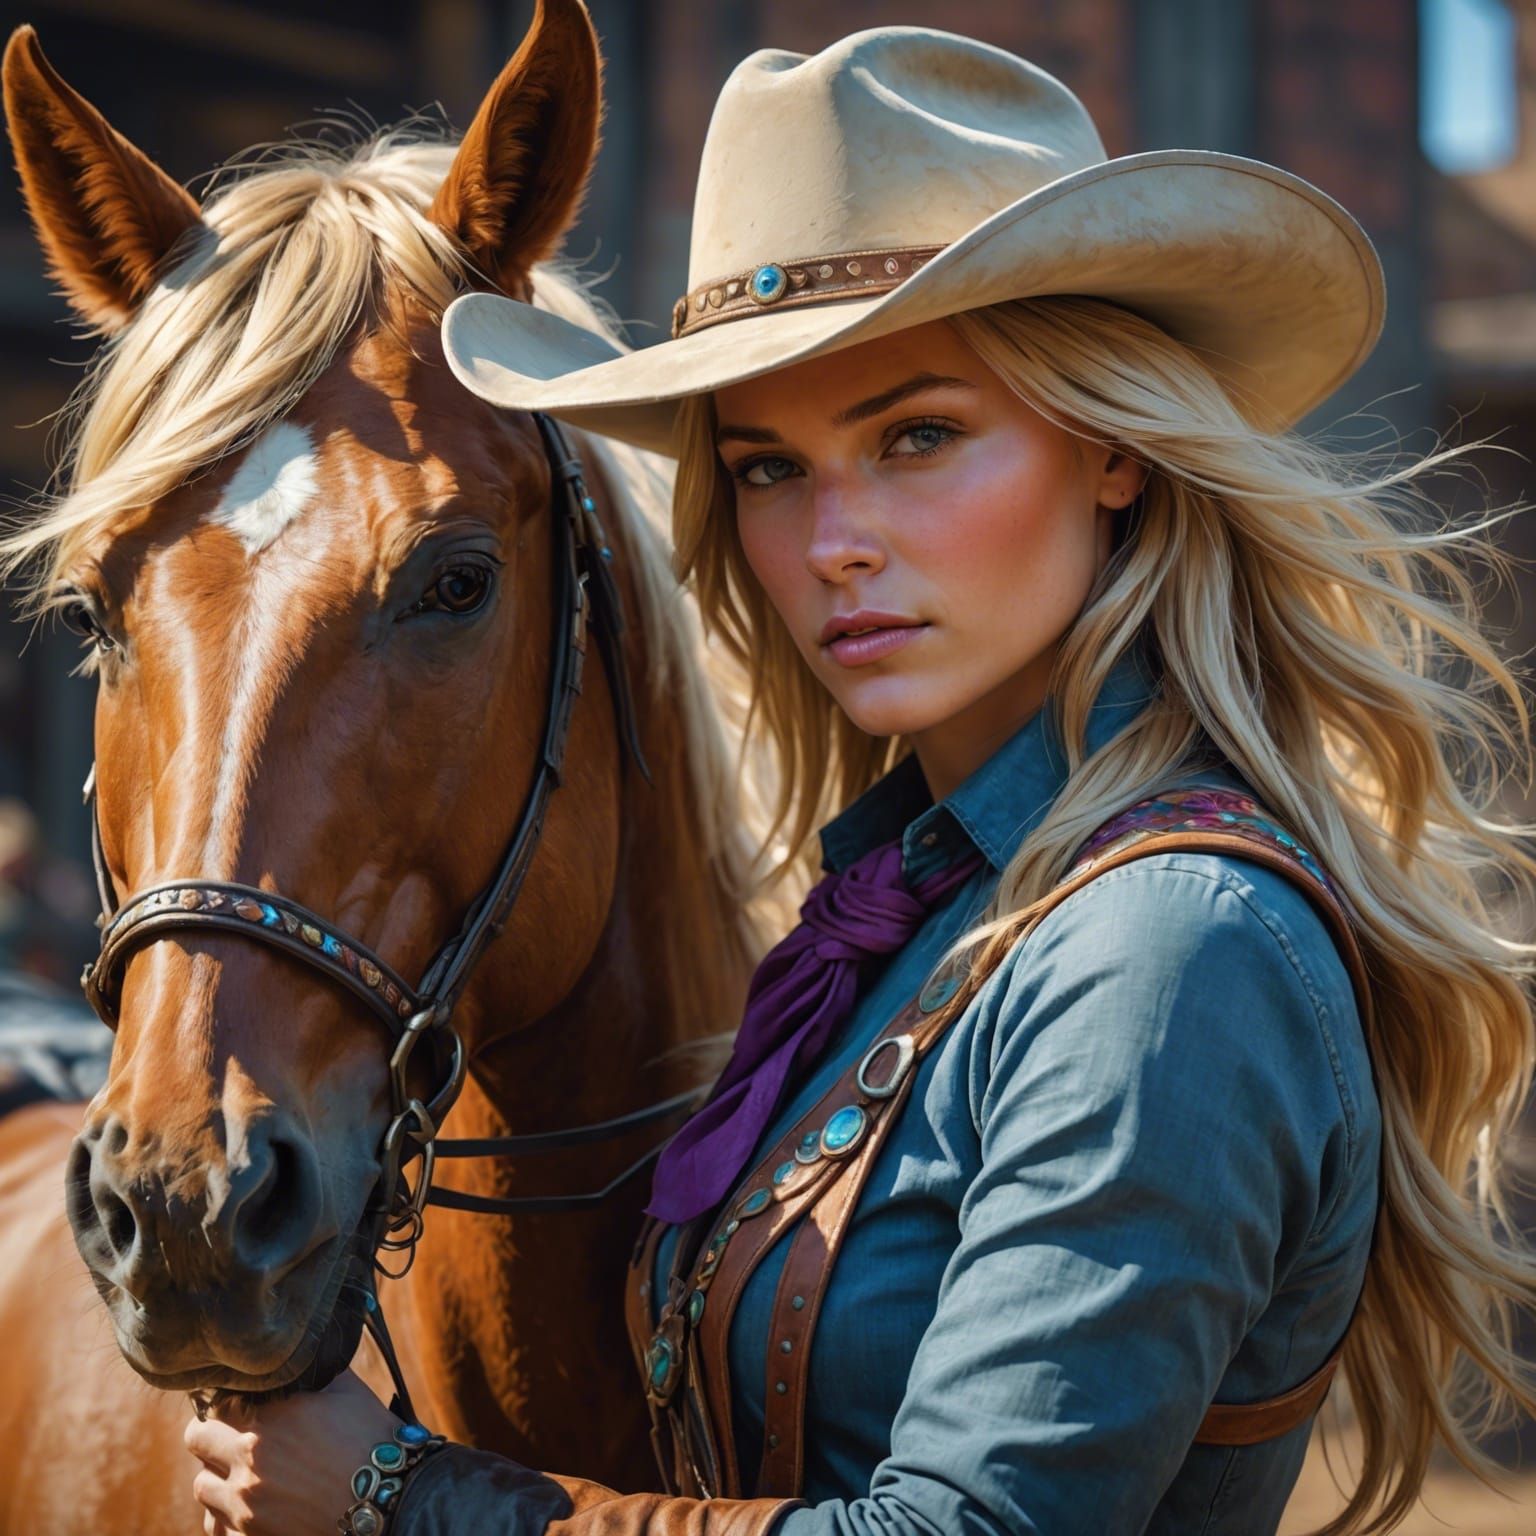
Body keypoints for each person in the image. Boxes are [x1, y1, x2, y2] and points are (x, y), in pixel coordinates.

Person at [186, 23, 1536, 1536]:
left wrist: (391, 1493)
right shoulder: (918, 912)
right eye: (768, 466)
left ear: (1114, 449)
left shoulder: (1167, 947)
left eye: (918, 435)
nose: (836, 541)